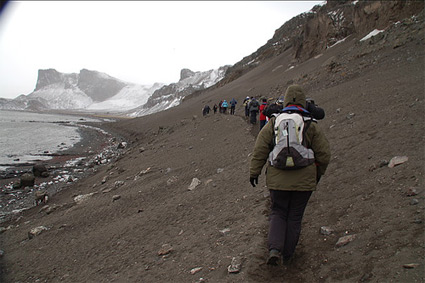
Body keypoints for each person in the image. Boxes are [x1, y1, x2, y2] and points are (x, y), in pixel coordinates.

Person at [249, 84, 331, 266]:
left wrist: (254, 172)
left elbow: (260, 148)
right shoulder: (310, 123)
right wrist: (317, 174)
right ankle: (288, 255)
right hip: (304, 182)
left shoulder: (274, 122)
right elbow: (324, 154)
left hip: (277, 180)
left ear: (285, 100)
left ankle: (274, 249)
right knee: (295, 216)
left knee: (278, 212)